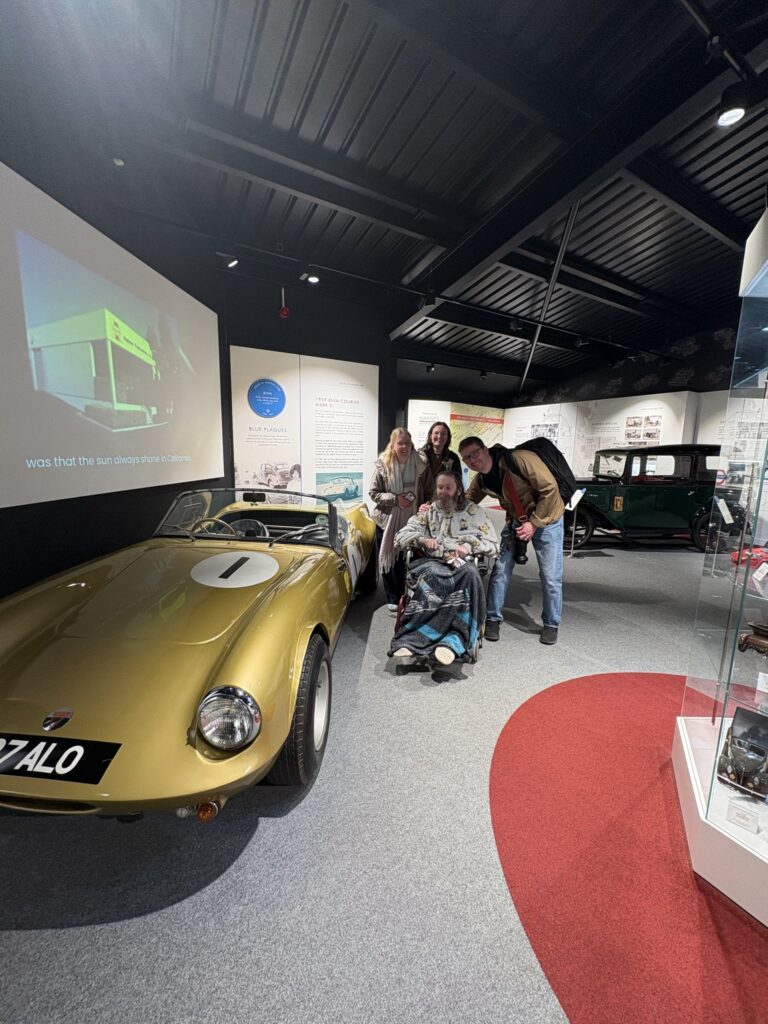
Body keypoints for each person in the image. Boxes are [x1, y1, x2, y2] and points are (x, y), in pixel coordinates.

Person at [459, 436, 564, 645]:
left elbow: (550, 489)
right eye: (467, 458)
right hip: (518, 520)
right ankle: (493, 618)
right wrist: (435, 508)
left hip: (548, 519)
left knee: (550, 576)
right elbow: (466, 501)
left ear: (485, 449)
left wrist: (534, 523)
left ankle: (551, 624)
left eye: (475, 453)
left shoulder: (519, 459)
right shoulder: (482, 479)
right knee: (500, 570)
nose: (472, 460)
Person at [390, 471, 499, 665]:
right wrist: (422, 540)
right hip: (434, 562)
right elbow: (400, 536)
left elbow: (493, 543)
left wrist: (468, 547)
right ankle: (413, 639)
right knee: (432, 574)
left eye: (448, 487)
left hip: (464, 563)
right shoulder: (429, 511)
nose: (443, 492)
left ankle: (454, 640)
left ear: (458, 490)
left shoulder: (475, 512)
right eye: (440, 487)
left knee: (469, 574)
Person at [369, 428, 433, 611]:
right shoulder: (383, 464)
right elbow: (373, 493)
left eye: (407, 443)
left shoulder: (421, 464)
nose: (404, 447)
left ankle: (410, 595)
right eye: (400, 443)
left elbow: (430, 490)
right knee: (391, 557)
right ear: (393, 444)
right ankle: (393, 596)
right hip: (387, 520)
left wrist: (428, 503)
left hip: (413, 521)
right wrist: (395, 499)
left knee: (410, 558)